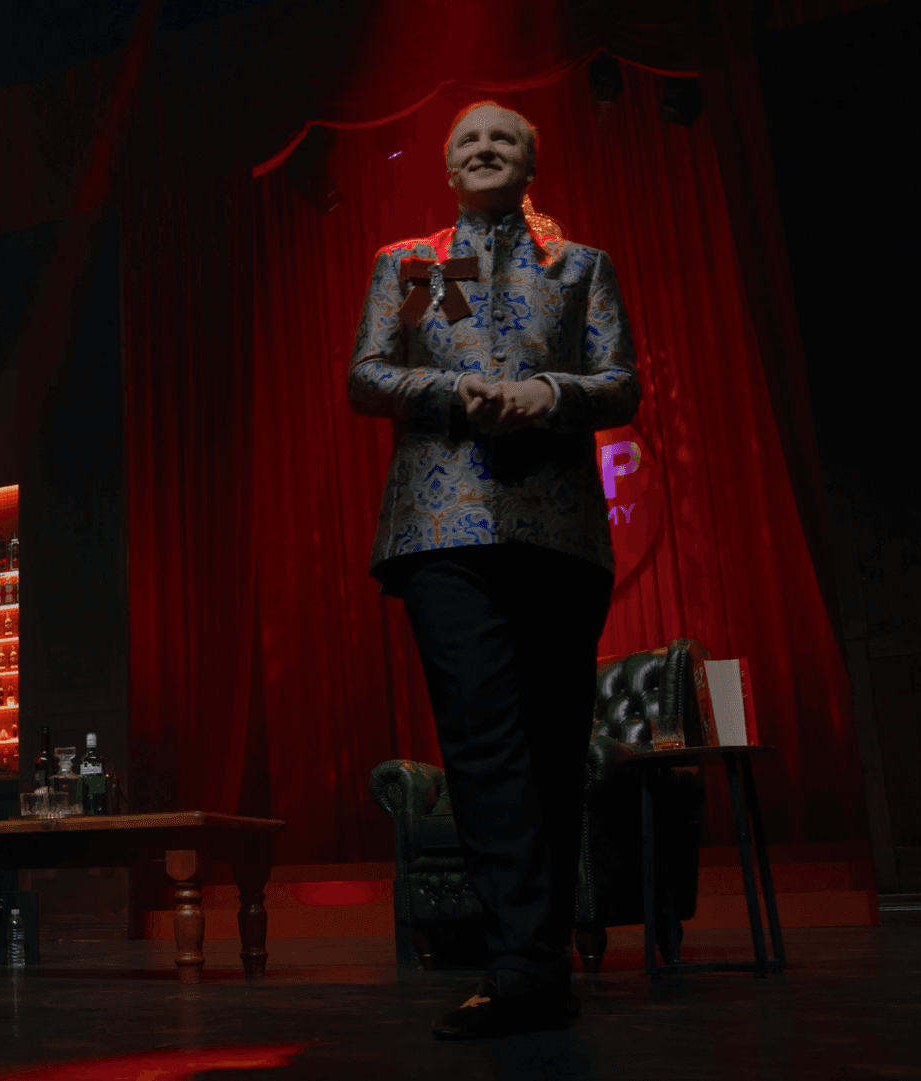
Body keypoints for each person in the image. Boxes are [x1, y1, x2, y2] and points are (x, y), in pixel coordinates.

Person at [347, 102, 640, 1039]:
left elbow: (620, 382)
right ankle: (516, 967)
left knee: (553, 750)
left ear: (530, 165)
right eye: (467, 141)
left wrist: (545, 393)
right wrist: (458, 391)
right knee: (482, 747)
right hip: (444, 531)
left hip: (558, 536)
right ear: (447, 168)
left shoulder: (579, 267)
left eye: (502, 140)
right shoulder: (424, 265)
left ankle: (541, 963)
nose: (483, 149)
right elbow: (370, 375)